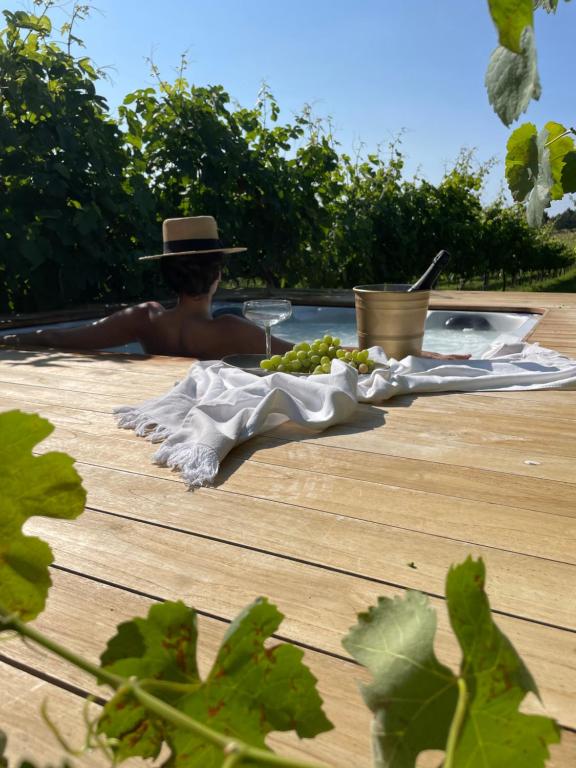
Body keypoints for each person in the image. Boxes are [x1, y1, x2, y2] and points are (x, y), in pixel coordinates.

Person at [1, 215, 468, 360]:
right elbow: (327, 357)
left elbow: (66, 338)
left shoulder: (143, 320)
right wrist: (427, 355)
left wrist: (14, 338)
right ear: (219, 274)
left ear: (167, 274)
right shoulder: (231, 332)